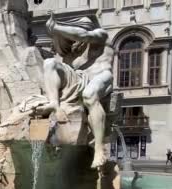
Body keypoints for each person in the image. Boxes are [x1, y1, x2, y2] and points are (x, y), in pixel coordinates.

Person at [39, 13, 115, 169]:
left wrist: (56, 27)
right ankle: (54, 103)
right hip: (79, 78)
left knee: (89, 94)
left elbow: (85, 35)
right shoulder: (71, 53)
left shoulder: (101, 34)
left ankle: (99, 149)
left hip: (101, 76)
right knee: (49, 63)